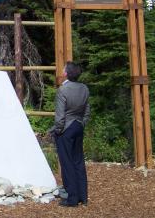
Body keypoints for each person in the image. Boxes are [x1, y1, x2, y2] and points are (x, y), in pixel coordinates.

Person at [49, 61, 91, 207]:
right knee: (78, 161)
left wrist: (58, 131)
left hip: (66, 129)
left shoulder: (63, 90)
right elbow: (87, 111)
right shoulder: (84, 88)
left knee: (67, 163)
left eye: (63, 69)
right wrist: (82, 123)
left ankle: (72, 198)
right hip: (78, 126)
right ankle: (83, 196)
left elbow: (60, 117)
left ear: (66, 73)